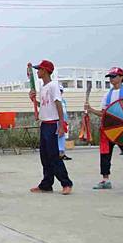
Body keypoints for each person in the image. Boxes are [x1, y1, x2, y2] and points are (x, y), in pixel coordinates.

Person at [29, 60, 73, 195]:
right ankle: (46, 184)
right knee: (44, 156)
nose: (37, 72)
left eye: (39, 69)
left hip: (52, 124)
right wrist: (33, 101)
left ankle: (66, 183)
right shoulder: (43, 87)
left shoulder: (54, 86)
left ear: (46, 70)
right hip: (44, 124)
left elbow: (58, 104)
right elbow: (45, 105)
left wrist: (60, 125)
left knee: (53, 156)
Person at [85, 67, 123, 189]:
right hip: (110, 129)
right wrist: (90, 110)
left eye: (114, 76)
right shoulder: (107, 95)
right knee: (105, 154)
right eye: (110, 77)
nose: (111, 79)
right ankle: (105, 180)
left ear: (121, 77)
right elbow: (104, 113)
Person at [57, 86, 71, 161]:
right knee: (59, 137)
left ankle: (62, 153)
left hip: (64, 121)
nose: (60, 92)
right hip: (58, 121)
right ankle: (59, 153)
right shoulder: (56, 101)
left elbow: (65, 111)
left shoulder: (63, 101)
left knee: (63, 138)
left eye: (61, 91)